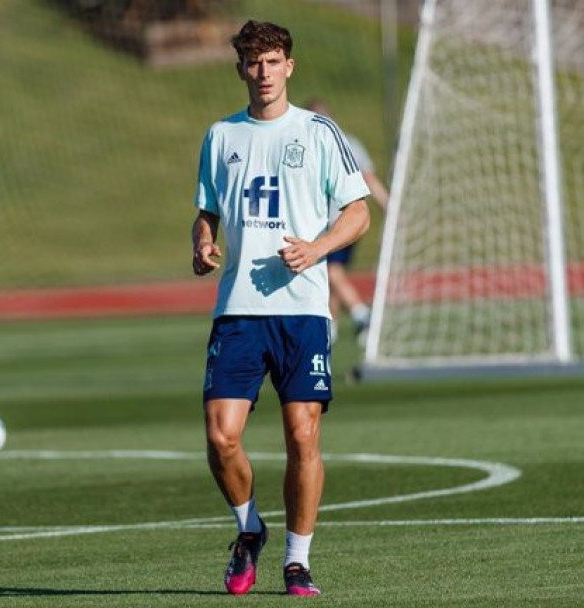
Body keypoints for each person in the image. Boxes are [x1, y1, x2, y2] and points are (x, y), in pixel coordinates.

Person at [190, 20, 370, 597]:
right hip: (238, 308)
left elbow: (359, 212)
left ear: (289, 66)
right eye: (253, 63)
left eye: (272, 62)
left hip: (302, 311)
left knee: (302, 434)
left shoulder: (319, 132)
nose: (263, 73)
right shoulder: (221, 136)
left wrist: (317, 248)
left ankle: (298, 561)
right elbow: (207, 211)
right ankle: (249, 531)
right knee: (221, 437)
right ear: (240, 69)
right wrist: (201, 241)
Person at [306, 99, 389, 345]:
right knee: (332, 274)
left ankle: (360, 313)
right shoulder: (305, 145)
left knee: (331, 271)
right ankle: (330, 327)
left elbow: (368, 178)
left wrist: (388, 205)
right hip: (331, 221)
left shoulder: (344, 144)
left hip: (340, 221)